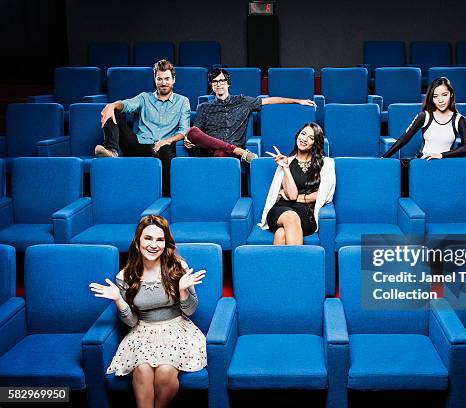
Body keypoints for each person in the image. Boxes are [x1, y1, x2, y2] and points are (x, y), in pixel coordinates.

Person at [89, 215, 206, 408]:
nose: (153, 245)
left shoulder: (178, 267)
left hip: (178, 331)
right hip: (142, 332)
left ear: (165, 243)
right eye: (148, 238)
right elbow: (132, 321)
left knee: (165, 371)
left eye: (159, 240)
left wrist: (183, 290)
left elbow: (191, 310)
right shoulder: (125, 276)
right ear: (138, 241)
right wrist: (119, 299)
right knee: (142, 370)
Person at [94, 60, 190, 197]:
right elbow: (127, 105)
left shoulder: (183, 101)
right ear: (155, 79)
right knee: (113, 111)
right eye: (160, 79)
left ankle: (165, 197)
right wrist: (112, 105)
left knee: (167, 150)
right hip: (138, 144)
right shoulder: (145, 97)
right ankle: (111, 150)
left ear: (173, 79)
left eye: (167, 79)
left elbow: (184, 130)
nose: (163, 83)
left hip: (162, 146)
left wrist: (167, 141)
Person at [184, 68, 316, 162]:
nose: (219, 84)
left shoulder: (243, 101)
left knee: (221, 153)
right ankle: (238, 151)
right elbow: (197, 131)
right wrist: (188, 139)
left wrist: (298, 101)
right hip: (209, 149)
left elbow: (269, 100)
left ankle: (232, 151)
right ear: (211, 86)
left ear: (228, 83)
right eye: (215, 82)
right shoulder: (204, 107)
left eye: (222, 81)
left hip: (225, 152)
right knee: (192, 132)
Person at [259, 122, 335, 245]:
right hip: (281, 210)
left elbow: (324, 195)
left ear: (315, 143)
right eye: (303, 134)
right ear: (297, 135)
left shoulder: (327, 164)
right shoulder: (286, 162)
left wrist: (301, 198)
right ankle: (301, 264)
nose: (304, 139)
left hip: (307, 215)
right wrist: (286, 167)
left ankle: (278, 265)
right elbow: (293, 195)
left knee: (281, 234)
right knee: (290, 217)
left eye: (311, 138)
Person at [382, 77, 466, 159]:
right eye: (435, 96)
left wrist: (440, 155)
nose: (440, 100)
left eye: (444, 95)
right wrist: (384, 158)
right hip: (422, 162)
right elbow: (404, 139)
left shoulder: (459, 119)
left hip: (445, 163)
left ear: (451, 94)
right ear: (431, 98)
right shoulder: (425, 116)